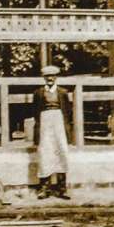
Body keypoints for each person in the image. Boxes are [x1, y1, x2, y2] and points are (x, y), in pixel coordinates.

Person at [32, 65, 72, 199]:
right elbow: (35, 112)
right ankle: (45, 187)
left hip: (59, 122)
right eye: (47, 76)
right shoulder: (38, 93)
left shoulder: (63, 92)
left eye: (52, 76)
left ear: (56, 77)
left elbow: (68, 112)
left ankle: (62, 187)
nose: (49, 78)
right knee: (45, 152)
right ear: (43, 78)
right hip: (44, 122)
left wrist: (66, 128)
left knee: (61, 151)